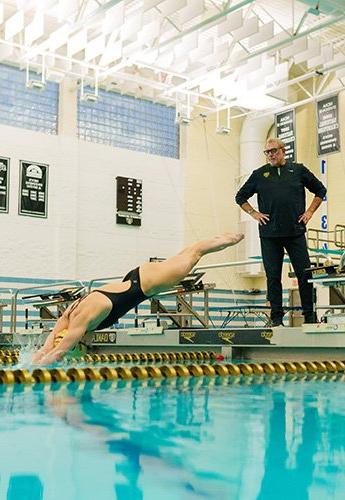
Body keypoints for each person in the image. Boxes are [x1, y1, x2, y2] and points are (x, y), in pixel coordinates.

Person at [33, 232, 244, 364]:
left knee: (196, 252)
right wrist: (40, 354)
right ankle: (230, 236)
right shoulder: (69, 314)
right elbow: (48, 345)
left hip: (146, 284)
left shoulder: (80, 321)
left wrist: (32, 371)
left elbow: (58, 352)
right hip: (137, 278)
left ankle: (234, 237)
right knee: (188, 252)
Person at [235, 137, 326, 327]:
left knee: (305, 274)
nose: (271, 155)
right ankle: (276, 318)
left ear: (283, 151)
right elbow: (240, 196)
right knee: (273, 276)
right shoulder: (259, 174)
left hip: (295, 232)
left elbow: (320, 190)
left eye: (274, 151)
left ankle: (309, 316)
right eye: (267, 152)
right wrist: (254, 213)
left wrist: (309, 212)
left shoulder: (298, 170)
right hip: (269, 235)